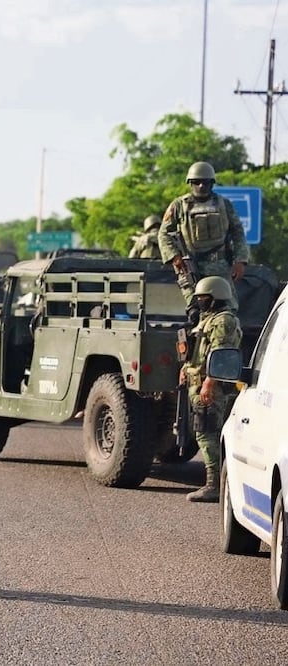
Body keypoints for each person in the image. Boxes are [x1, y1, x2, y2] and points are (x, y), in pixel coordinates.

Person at [180, 275, 241, 502]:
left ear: (216, 297)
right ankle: (216, 483)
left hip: (211, 388)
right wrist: (187, 368)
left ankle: (214, 485)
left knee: (207, 434)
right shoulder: (208, 319)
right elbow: (201, 351)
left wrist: (208, 382)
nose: (200, 301)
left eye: (204, 297)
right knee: (205, 432)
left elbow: (220, 354)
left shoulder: (223, 321)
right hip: (200, 384)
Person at [158, 161, 250, 313]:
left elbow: (238, 231)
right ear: (190, 183)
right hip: (190, 266)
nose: (201, 186)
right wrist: (174, 256)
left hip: (220, 266)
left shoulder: (223, 204)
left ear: (212, 183)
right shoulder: (179, 205)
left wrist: (241, 260)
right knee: (195, 310)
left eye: (205, 182)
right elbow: (163, 233)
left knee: (226, 309)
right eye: (196, 182)